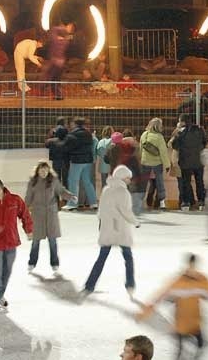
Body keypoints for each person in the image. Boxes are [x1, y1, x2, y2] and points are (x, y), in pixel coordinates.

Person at [136, 254, 208, 360]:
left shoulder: (199, 281)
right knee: (183, 348)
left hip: (193, 323)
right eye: (190, 266)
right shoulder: (182, 282)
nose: (191, 269)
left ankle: (190, 355)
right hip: (183, 323)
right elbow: (159, 297)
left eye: (193, 266)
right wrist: (145, 313)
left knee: (198, 346)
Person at [82, 165, 140, 299]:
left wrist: (101, 225)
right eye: (127, 178)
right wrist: (136, 222)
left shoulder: (106, 190)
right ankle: (130, 284)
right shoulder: (123, 192)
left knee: (101, 258)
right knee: (128, 258)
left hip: (108, 229)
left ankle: (89, 285)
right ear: (122, 178)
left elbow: (101, 210)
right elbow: (126, 212)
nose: (129, 180)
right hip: (121, 230)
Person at [0, 179, 33, 314]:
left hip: (11, 242)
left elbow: (25, 214)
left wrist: (29, 229)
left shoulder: (14, 200)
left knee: (7, 271)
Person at [25, 161, 76, 273]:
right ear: (37, 171)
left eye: (45, 170)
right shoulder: (33, 182)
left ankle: (55, 263)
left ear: (48, 171)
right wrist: (23, 210)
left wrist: (70, 196)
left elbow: (61, 191)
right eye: (41, 170)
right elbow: (28, 197)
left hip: (51, 214)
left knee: (52, 241)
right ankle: (32, 262)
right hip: (38, 215)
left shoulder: (53, 181)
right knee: (35, 241)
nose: (43, 172)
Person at [57, 117, 97, 211]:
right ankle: (93, 202)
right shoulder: (88, 134)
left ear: (75, 124)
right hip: (88, 161)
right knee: (87, 182)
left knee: (73, 181)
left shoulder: (73, 135)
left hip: (77, 161)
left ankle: (72, 203)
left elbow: (66, 147)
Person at [172, 113, 207, 211]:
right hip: (198, 161)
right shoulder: (200, 130)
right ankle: (201, 202)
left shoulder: (181, 132)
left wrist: (176, 134)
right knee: (199, 182)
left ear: (182, 121)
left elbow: (175, 145)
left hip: (185, 161)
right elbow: (205, 142)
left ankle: (186, 203)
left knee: (186, 183)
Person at [140, 118, 170, 210]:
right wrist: (167, 165)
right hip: (157, 163)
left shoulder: (144, 135)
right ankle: (162, 203)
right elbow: (163, 152)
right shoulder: (159, 137)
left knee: (143, 184)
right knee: (159, 183)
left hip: (145, 162)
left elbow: (141, 149)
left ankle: (140, 201)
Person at [43, 22, 75, 100]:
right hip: (61, 63)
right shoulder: (65, 41)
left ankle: (44, 89)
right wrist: (65, 29)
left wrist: (62, 27)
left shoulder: (56, 41)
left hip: (55, 63)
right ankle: (58, 95)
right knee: (55, 79)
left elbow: (53, 30)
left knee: (50, 78)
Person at [45, 116, 69, 188]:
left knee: (56, 179)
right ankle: (65, 197)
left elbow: (47, 144)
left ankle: (56, 197)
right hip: (65, 159)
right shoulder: (66, 131)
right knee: (65, 180)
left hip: (55, 159)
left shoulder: (53, 130)